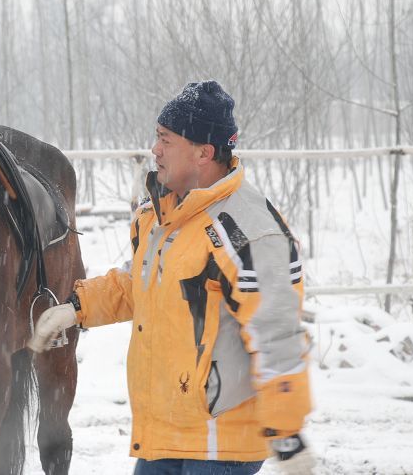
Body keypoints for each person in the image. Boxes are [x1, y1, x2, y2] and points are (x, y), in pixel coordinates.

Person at [29, 81, 314, 475]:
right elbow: (140, 282)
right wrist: (74, 308)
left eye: (166, 139)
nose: (154, 150)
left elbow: (276, 333)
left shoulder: (247, 230)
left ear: (204, 152)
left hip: (219, 443)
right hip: (164, 431)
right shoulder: (160, 213)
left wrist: (288, 432)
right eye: (156, 137)